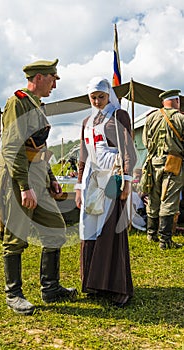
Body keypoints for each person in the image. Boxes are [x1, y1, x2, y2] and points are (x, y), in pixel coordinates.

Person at [0, 58, 77, 316]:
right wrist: (24, 186)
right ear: (38, 78)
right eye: (52, 78)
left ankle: (50, 288)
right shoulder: (17, 101)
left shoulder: (37, 105)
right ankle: (13, 294)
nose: (55, 84)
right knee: (15, 236)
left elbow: (39, 147)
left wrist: (50, 178)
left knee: (56, 231)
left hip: (37, 175)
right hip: (20, 178)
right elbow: (13, 145)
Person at [75, 77, 137, 307]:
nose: (98, 101)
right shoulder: (86, 120)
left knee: (111, 227)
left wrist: (127, 180)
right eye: (94, 97)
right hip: (92, 177)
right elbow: (83, 155)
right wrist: (79, 187)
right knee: (90, 227)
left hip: (112, 174)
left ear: (109, 95)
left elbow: (128, 148)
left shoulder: (119, 116)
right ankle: (93, 283)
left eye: (102, 96)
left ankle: (117, 287)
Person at [142, 89, 184, 249]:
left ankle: (151, 235)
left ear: (163, 102)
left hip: (153, 163)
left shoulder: (151, 117)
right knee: (169, 200)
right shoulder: (180, 118)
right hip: (173, 163)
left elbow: (146, 141)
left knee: (153, 197)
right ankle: (165, 241)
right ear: (177, 101)